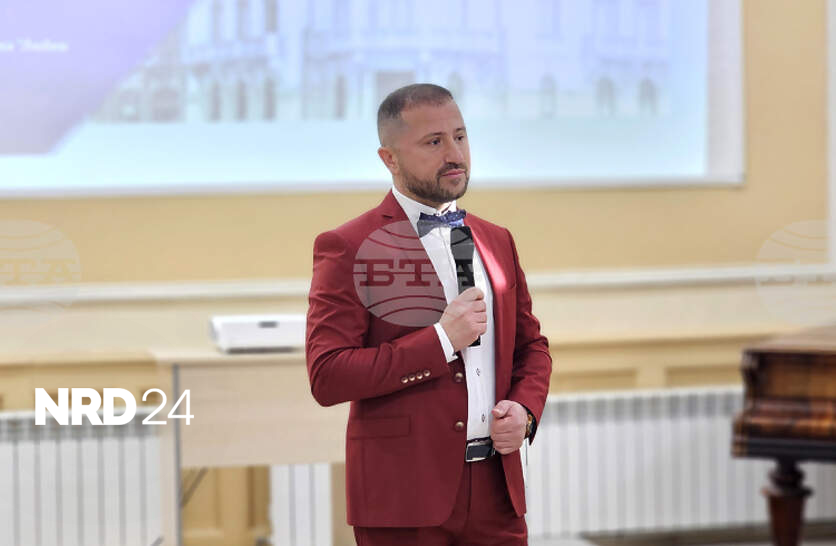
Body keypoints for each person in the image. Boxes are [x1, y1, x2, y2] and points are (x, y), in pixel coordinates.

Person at [305, 83, 552, 545]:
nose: (455, 154)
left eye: (460, 136)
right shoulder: (349, 246)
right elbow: (328, 375)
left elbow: (531, 347)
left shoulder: (497, 239)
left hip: (497, 495)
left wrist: (526, 410)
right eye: (434, 142)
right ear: (390, 159)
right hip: (403, 498)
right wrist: (441, 340)